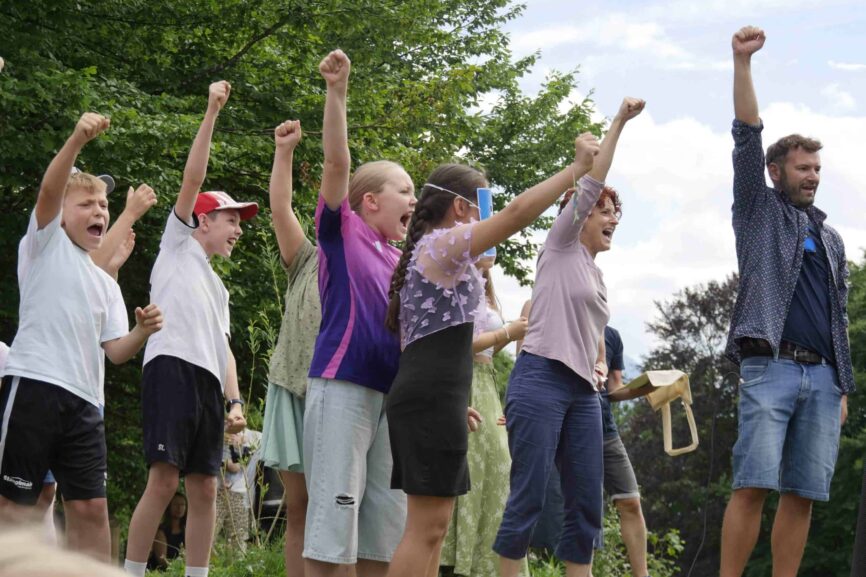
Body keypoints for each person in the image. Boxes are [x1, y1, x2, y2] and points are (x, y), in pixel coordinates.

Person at [383, 123, 602, 576]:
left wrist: (454, 400)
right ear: (462, 207)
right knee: (423, 527)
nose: (487, 219)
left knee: (436, 527)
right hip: (427, 394)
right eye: (481, 208)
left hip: (440, 395)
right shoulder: (440, 242)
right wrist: (576, 170)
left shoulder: (443, 254)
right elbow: (519, 213)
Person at [0, 113, 163, 562]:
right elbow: (50, 193)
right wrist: (76, 138)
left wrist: (142, 332)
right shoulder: (43, 243)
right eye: (87, 203)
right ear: (61, 215)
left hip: (86, 404)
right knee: (16, 505)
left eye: (103, 206)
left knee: (91, 508)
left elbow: (116, 353)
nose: (99, 211)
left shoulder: (105, 283)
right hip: (35, 385)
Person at [720, 26, 852, 577]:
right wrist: (743, 63)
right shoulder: (757, 209)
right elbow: (747, 134)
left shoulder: (832, 238)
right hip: (769, 366)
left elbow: (838, 317)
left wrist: (844, 384)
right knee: (753, 483)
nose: (813, 177)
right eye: (803, 168)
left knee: (803, 494)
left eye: (817, 169)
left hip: (824, 380)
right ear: (777, 173)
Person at [493, 97, 644, 577]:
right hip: (539, 380)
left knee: (585, 507)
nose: (613, 217)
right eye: (604, 210)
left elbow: (589, 332)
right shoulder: (559, 246)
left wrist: (600, 365)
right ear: (577, 215)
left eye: (616, 212)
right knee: (530, 497)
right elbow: (591, 179)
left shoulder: (594, 277)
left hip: (582, 393)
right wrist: (618, 122)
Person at [123, 80, 253, 577]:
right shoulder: (176, 246)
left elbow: (225, 348)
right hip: (170, 366)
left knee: (204, 486)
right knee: (164, 479)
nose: (238, 229)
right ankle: (134, 571)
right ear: (202, 222)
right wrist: (211, 112)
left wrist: (235, 401)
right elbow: (193, 179)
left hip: (207, 382)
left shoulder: (218, 289)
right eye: (230, 219)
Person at [303, 49, 414, 577]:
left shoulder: (404, 257)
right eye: (406, 190)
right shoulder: (341, 231)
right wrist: (337, 92)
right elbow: (336, 165)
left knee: (382, 536)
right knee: (331, 533)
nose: (414, 200)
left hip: (391, 399)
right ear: (369, 201)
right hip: (342, 389)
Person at [440, 263, 529, 577]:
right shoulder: (454, 281)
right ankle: (461, 560)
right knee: (474, 470)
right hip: (466, 385)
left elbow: (488, 346)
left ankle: (489, 562)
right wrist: (507, 332)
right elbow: (458, 345)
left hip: (488, 385)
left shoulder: (486, 285)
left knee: (497, 470)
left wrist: (509, 335)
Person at [260, 119, 318, 577]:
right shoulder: (308, 259)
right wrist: (285, 151)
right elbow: (280, 207)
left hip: (342, 393)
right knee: (297, 505)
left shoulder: (383, 266)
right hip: (291, 386)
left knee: (338, 504)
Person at [214, 430, 256, 552]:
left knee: (239, 539)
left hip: (239, 493)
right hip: (215, 491)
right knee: (207, 534)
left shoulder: (250, 436)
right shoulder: (214, 429)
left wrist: (239, 444)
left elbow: (237, 467)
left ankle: (238, 568)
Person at [148, 493, 188, 571]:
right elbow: (162, 560)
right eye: (176, 504)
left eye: (182, 505)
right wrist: (178, 571)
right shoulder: (161, 531)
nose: (179, 508)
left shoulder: (187, 530)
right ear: (169, 506)